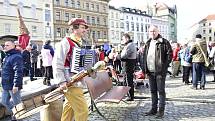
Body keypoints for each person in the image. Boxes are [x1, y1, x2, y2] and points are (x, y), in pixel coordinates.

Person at [52, 18, 89, 121]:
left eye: (85, 28)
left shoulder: (80, 43)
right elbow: (57, 62)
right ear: (74, 28)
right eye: (82, 27)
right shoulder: (65, 42)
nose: (85, 30)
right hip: (70, 82)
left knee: (69, 109)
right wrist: (61, 81)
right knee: (83, 111)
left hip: (76, 81)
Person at [144, 25, 172, 118]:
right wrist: (145, 69)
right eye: (151, 31)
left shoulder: (164, 42)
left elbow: (169, 55)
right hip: (150, 71)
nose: (152, 33)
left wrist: (164, 67)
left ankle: (161, 111)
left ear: (158, 31)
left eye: (154, 31)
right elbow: (144, 56)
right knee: (152, 91)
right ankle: (153, 109)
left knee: (161, 91)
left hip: (160, 72)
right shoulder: (148, 43)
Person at [1, 40, 24, 121]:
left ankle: (19, 118)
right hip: (6, 85)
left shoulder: (16, 56)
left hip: (13, 85)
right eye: (4, 45)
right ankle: (16, 113)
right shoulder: (7, 56)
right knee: (4, 102)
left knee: (17, 104)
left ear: (13, 46)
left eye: (7, 45)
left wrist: (16, 85)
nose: (5, 46)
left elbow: (19, 71)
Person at [120, 33, 137, 101]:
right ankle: (128, 95)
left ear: (127, 38)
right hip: (127, 65)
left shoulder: (130, 45)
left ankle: (130, 96)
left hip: (128, 65)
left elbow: (123, 56)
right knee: (127, 80)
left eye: (123, 39)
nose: (122, 40)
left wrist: (118, 56)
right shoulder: (129, 45)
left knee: (128, 81)